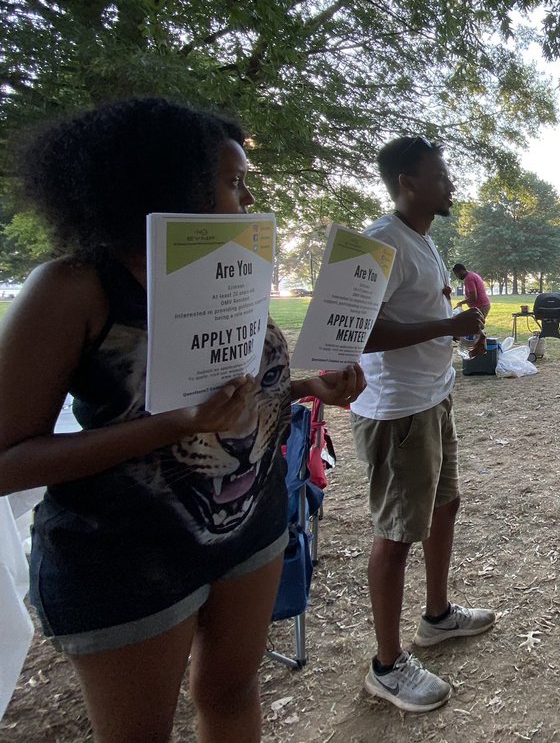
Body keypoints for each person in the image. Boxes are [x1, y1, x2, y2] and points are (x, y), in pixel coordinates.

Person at [0, 98, 365, 743]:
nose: (249, 199)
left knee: (231, 691)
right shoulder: (75, 288)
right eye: (234, 182)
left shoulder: (230, 272)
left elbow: (240, 387)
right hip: (126, 557)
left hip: (251, 525)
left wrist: (311, 386)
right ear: (169, 185)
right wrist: (166, 428)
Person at [352, 136, 495, 714]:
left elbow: (423, 314)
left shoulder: (423, 243)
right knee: (395, 533)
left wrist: (458, 327)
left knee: (444, 505)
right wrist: (443, 328)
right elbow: (355, 333)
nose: (449, 183)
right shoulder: (377, 243)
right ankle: (386, 666)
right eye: (439, 174)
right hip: (397, 412)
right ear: (408, 182)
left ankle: (436, 618)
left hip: (433, 398)